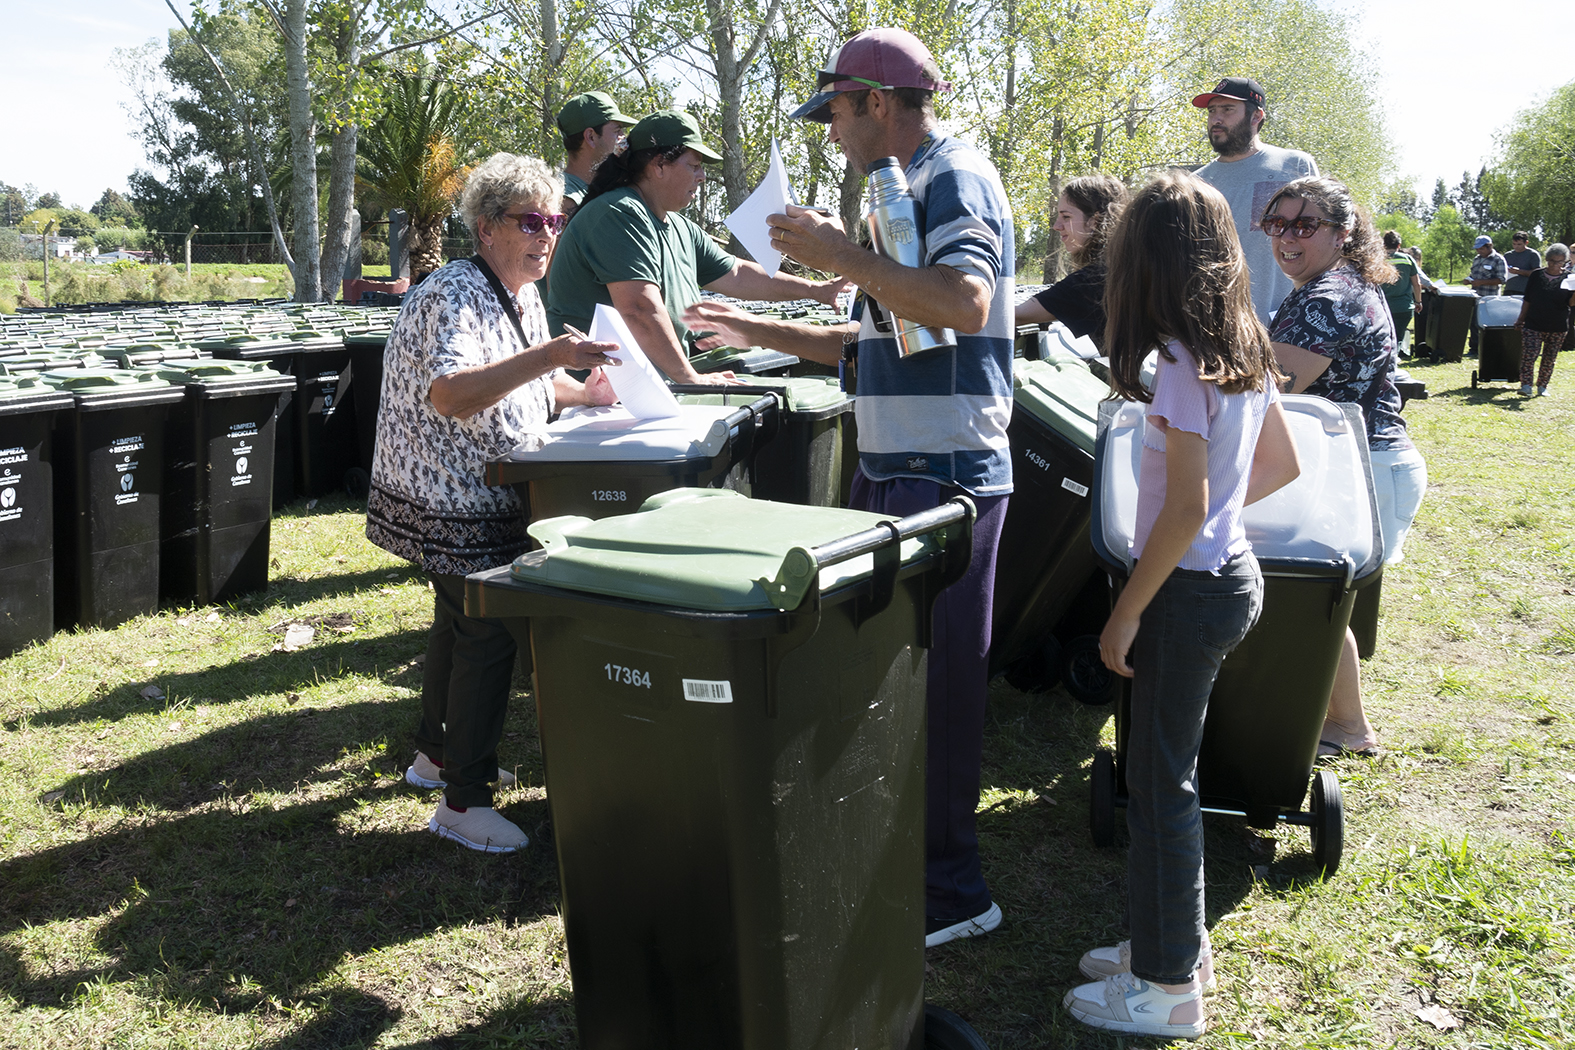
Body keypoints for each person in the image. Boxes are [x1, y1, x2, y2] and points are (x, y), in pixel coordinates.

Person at [677, 26, 1016, 948]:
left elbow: (963, 303)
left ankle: (951, 892)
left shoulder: (952, 177)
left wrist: (839, 257)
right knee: (886, 684)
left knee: (934, 689)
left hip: (944, 474)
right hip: (895, 466)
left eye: (834, 111)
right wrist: (754, 330)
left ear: (874, 101)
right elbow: (873, 344)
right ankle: (901, 860)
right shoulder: (900, 193)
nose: (830, 132)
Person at [1063, 170, 1300, 1040]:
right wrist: (1213, 520)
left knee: (1159, 786)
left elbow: (1186, 507)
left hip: (1185, 594)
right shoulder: (1241, 344)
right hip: (1227, 579)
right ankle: (1174, 945)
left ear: (1143, 262)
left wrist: (1125, 610)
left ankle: (1166, 990)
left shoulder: (1173, 362)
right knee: (1168, 778)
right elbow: (1279, 467)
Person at [365, 153, 621, 853]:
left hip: (481, 491)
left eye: (554, 221)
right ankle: (462, 803)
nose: (546, 235)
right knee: (484, 632)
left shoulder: (519, 291)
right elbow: (453, 392)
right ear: (485, 228)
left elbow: (518, 387)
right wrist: (551, 360)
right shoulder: (453, 293)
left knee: (458, 623)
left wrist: (583, 390)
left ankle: (435, 756)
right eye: (529, 221)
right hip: (445, 499)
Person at [1261, 175, 1428, 758]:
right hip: (1368, 464)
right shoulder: (1337, 284)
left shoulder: (1330, 296)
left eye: (1305, 225)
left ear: (1344, 230)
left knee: (1314, 601)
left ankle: (1350, 727)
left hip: (1366, 467)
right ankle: (1338, 719)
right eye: (1276, 224)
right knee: (1319, 601)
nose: (1286, 237)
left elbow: (1269, 389)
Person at [545, 109, 846, 385]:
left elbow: (738, 273)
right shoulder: (619, 213)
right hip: (595, 390)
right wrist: (688, 377)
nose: (701, 177)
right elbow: (638, 308)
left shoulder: (679, 226)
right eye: (694, 166)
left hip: (644, 383)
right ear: (659, 165)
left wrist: (815, 290)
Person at [1192, 77, 1319, 324]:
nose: (1216, 119)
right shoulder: (1195, 183)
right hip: (1216, 327)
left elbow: (1320, 243)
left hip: (1286, 324)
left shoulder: (1294, 165)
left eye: (1227, 110)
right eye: (1212, 111)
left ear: (1256, 116)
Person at [1014, 173, 1128, 349]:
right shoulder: (1125, 266)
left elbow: (1015, 315)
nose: (1056, 226)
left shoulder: (1094, 280)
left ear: (1094, 221)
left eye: (1066, 217)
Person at [556, 91, 638, 214]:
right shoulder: (563, 199)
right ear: (591, 137)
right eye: (617, 130)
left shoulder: (608, 186)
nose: (623, 137)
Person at [1512, 242, 1573, 396]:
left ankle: (1542, 386)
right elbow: (1528, 299)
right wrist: (1521, 319)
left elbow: (1571, 303)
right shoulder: (1536, 275)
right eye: (1551, 260)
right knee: (1529, 355)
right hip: (1533, 323)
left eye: (1559, 262)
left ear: (1565, 261)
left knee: (1549, 358)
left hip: (1557, 325)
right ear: (1546, 259)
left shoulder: (1569, 278)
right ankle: (1526, 385)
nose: (1554, 265)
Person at [1380, 231, 1423, 357]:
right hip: (1403, 307)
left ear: (1383, 244)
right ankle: (1394, 361)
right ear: (1399, 245)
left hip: (1383, 306)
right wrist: (1418, 301)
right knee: (1397, 338)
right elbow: (1417, 283)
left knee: (1383, 337)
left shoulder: (1378, 260)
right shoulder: (1407, 259)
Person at [1467, 234, 1508, 356]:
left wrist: (1481, 282)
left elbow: (1502, 279)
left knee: (1488, 325)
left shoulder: (1498, 260)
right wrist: (1468, 279)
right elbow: (1473, 275)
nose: (1478, 251)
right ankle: (1474, 348)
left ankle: (1488, 348)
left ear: (1489, 246)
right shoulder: (1477, 259)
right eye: (1477, 249)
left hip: (1491, 299)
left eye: (1481, 248)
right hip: (1475, 296)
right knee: (1474, 323)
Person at [1503, 231, 1542, 296]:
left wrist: (1519, 271)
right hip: (1509, 289)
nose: (1516, 247)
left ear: (1526, 242)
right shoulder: (1507, 255)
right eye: (1514, 244)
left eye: (1519, 244)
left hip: (1525, 291)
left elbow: (1537, 274)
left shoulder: (1533, 255)